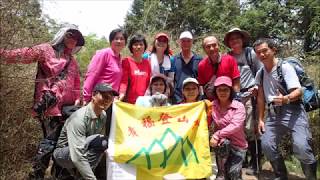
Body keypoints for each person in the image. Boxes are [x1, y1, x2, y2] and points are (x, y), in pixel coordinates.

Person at [0, 24, 85, 179]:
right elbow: (22, 54)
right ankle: (36, 175)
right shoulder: (45, 50)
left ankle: (58, 175)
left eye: (77, 38)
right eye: (71, 35)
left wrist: (79, 98)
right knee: (49, 143)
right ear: (62, 35)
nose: (74, 40)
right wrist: (3, 54)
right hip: (49, 107)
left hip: (67, 110)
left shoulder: (71, 60)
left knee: (63, 143)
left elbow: (76, 82)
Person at [254, 38, 317, 180]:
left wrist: (286, 99)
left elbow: (298, 91)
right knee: (267, 144)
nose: (262, 55)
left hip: (293, 110)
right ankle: (281, 176)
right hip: (273, 113)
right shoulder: (261, 73)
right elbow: (260, 98)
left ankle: (311, 177)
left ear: (273, 50)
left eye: (265, 51)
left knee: (301, 147)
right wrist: (260, 119)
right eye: (258, 53)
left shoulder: (285, 67)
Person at [53, 83, 118, 179]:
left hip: (82, 149)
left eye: (110, 99)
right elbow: (77, 155)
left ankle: (81, 175)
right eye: (104, 96)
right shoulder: (79, 118)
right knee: (101, 141)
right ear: (93, 95)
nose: (107, 101)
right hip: (64, 154)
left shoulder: (103, 115)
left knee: (104, 143)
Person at [224, 28, 263, 175]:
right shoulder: (227, 56)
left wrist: (257, 87)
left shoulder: (250, 53)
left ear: (242, 40)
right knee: (237, 128)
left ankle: (256, 162)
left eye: (237, 38)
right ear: (228, 42)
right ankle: (242, 159)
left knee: (250, 128)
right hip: (234, 96)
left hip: (250, 94)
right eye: (232, 39)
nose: (235, 41)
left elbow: (260, 71)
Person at [209, 76, 247, 180]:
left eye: (226, 89)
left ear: (231, 91)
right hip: (222, 145)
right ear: (215, 91)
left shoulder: (239, 106)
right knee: (224, 143)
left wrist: (216, 135)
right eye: (219, 90)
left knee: (233, 174)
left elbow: (235, 126)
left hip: (238, 146)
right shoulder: (212, 106)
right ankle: (221, 172)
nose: (222, 92)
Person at [82, 28, 127, 105]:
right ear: (111, 41)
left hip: (110, 100)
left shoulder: (120, 58)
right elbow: (91, 75)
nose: (119, 41)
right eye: (116, 38)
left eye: (122, 39)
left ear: (125, 42)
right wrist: (86, 98)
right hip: (99, 98)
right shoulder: (104, 54)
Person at [197, 36, 240, 101]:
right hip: (211, 102)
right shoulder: (202, 65)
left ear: (218, 46)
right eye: (208, 46)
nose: (212, 48)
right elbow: (202, 86)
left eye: (214, 45)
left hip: (229, 100)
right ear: (204, 49)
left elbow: (236, 81)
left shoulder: (229, 59)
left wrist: (236, 98)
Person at [119, 34, 151, 104]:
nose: (138, 47)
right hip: (128, 103)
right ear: (131, 47)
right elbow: (124, 82)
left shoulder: (147, 63)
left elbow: (148, 83)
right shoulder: (126, 61)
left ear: (144, 46)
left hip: (143, 103)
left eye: (141, 44)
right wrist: (121, 94)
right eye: (135, 44)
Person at [172, 31, 202, 104]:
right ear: (179, 42)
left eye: (188, 41)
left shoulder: (199, 60)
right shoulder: (173, 60)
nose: (186, 43)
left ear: (192, 42)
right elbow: (172, 80)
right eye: (183, 41)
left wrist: (200, 98)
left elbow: (201, 82)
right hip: (177, 99)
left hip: (195, 100)